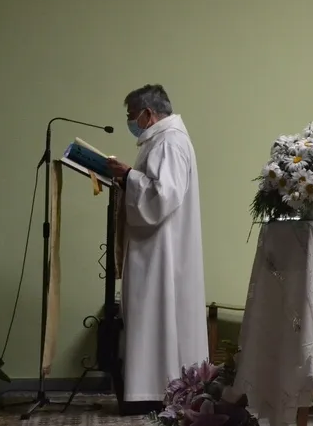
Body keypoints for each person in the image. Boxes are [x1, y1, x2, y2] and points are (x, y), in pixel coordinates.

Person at [106, 84, 208, 412]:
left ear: (148, 114)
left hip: (163, 251)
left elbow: (163, 196)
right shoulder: (161, 139)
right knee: (150, 317)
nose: (130, 122)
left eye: (131, 115)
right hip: (155, 247)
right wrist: (128, 178)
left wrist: (128, 176)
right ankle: (149, 389)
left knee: (157, 315)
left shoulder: (169, 141)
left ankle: (154, 392)